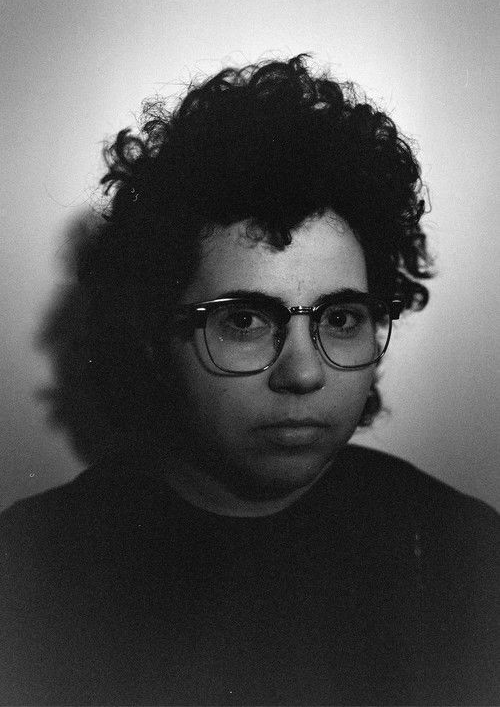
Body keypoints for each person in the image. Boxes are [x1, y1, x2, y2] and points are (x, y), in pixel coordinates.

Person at [0, 55, 498, 706]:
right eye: (244, 320)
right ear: (155, 336)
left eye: (341, 318)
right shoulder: (29, 572)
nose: (304, 372)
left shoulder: (464, 553)